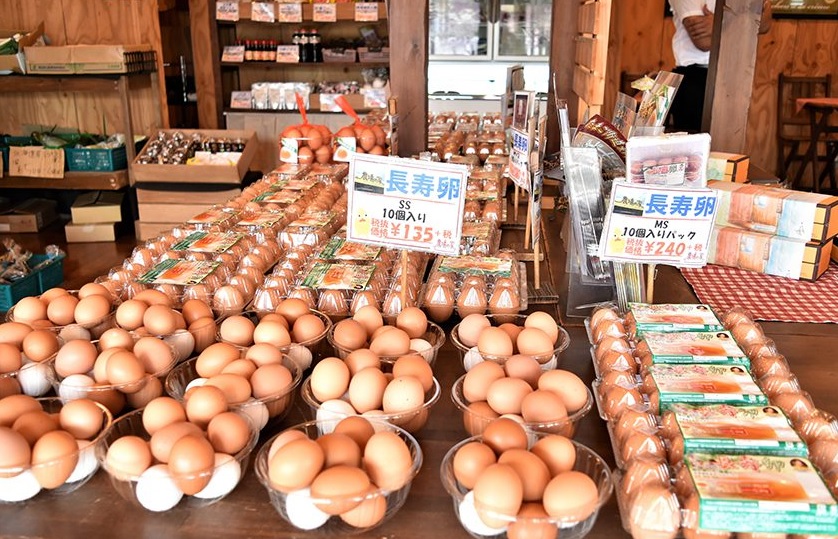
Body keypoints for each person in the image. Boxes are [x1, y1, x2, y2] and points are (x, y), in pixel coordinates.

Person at [667, 0, 772, 132]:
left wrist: (718, 23)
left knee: (729, 143)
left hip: (734, 75)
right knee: (694, 146)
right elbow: (703, 42)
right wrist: (743, 23)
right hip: (697, 78)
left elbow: (764, 26)